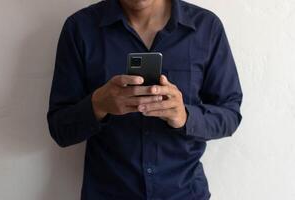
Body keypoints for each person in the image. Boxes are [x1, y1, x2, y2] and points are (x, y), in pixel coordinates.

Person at [47, 0, 243, 199]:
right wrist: (98, 105)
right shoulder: (80, 28)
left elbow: (230, 115)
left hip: (184, 192)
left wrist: (185, 117)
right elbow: (59, 129)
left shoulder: (206, 28)